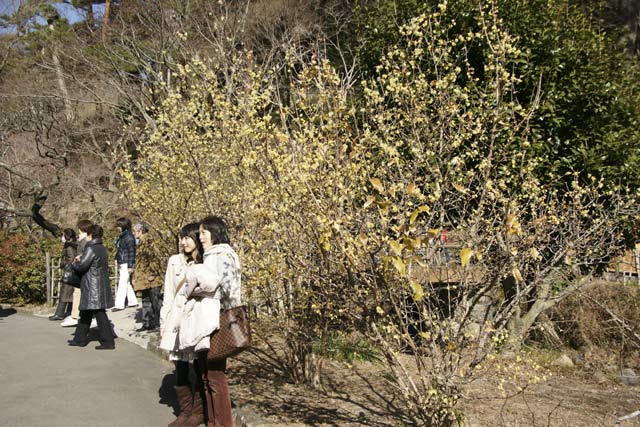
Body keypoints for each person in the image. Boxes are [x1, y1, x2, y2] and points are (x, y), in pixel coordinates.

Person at [181, 215, 241, 427]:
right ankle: (214, 421)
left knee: (215, 376)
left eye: (204, 233)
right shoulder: (213, 255)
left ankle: (222, 423)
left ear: (215, 233)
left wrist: (196, 291)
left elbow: (222, 289)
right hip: (209, 319)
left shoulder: (221, 256)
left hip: (216, 321)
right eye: (200, 233)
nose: (201, 237)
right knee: (206, 375)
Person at [159, 223, 205, 427]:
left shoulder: (205, 263)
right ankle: (185, 412)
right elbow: (168, 293)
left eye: (188, 238)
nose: (183, 242)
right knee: (180, 366)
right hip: (177, 320)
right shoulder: (174, 262)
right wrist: (164, 321)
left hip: (197, 321)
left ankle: (198, 412)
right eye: (181, 238)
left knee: (200, 365)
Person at [68, 224, 116, 350]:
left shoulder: (91, 249)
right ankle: (79, 339)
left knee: (99, 314)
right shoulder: (102, 248)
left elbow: (82, 266)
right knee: (86, 312)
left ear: (90, 235)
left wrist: (75, 262)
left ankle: (108, 342)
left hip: (92, 286)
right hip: (99, 284)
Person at [61, 219, 93, 327]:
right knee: (79, 293)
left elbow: (83, 256)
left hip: (82, 271)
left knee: (78, 293)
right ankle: (77, 315)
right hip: (83, 271)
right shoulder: (84, 241)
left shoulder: (85, 241)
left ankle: (75, 315)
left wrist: (77, 261)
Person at [132, 222, 163, 332]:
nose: (133, 233)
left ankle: (156, 324)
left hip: (150, 278)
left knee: (155, 301)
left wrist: (152, 273)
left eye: (134, 231)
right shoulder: (142, 242)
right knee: (146, 301)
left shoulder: (147, 241)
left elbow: (154, 258)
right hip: (144, 277)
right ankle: (147, 323)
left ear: (140, 231)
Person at [49, 228, 78, 321]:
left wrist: (62, 264)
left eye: (63, 235)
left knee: (65, 292)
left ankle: (59, 313)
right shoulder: (74, 245)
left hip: (69, 272)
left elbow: (71, 258)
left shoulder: (69, 246)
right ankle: (69, 312)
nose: (62, 237)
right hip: (73, 272)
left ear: (67, 236)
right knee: (70, 293)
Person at [112, 217, 138, 311]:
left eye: (118, 226)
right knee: (126, 283)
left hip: (126, 263)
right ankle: (133, 301)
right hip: (123, 262)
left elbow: (132, 252)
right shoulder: (123, 236)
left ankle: (119, 304)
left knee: (122, 283)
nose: (117, 228)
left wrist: (130, 265)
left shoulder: (128, 237)